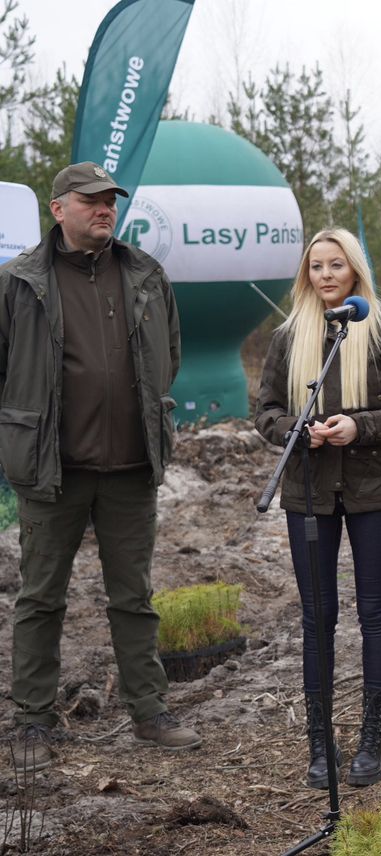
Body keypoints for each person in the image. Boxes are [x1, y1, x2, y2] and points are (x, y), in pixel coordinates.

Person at [0, 162, 199, 774]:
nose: (104, 209)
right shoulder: (19, 283)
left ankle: (149, 711)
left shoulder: (144, 274)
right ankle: (33, 718)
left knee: (133, 598)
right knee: (40, 599)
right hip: (51, 469)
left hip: (131, 467)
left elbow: (169, 355)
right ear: (59, 209)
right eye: (90, 200)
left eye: (110, 200)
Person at [255, 228, 381, 788]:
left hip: (374, 493)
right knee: (317, 618)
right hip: (307, 491)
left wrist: (360, 427)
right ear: (306, 275)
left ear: (355, 270)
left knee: (374, 612)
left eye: (336, 265)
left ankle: (371, 741)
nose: (326, 275)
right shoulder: (288, 338)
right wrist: (293, 431)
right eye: (316, 267)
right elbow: (265, 413)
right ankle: (319, 743)